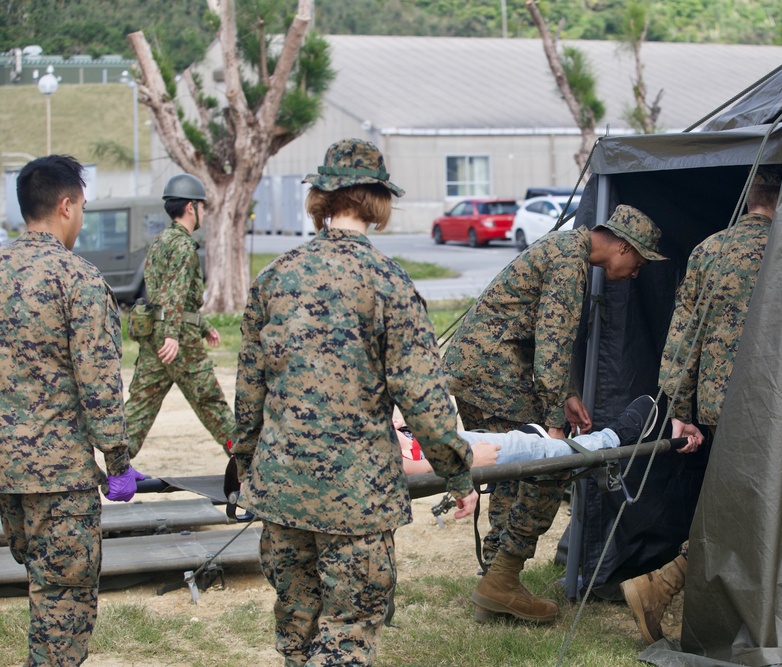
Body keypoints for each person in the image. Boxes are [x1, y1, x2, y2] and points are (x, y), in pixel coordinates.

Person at [232, 138, 478, 666]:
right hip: (356, 497)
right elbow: (424, 398)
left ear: (321, 197)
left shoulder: (275, 277)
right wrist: (458, 474)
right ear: (378, 201)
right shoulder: (388, 282)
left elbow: (249, 391)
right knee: (347, 634)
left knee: (297, 626)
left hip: (281, 486)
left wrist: (249, 466)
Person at [443, 203, 668, 624]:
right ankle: (501, 580)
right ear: (622, 246)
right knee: (549, 467)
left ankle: (496, 585)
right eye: (638, 262)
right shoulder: (570, 262)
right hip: (497, 374)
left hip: (477, 371)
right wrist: (553, 425)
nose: (637, 273)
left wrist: (566, 394)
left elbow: (540, 335)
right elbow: (552, 344)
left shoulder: (563, 248)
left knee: (507, 475)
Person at [620, 166, 782, 644]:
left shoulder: (709, 250)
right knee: (754, 505)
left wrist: (680, 412)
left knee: (739, 501)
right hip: (772, 399)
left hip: (718, 404)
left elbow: (683, 337)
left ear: (750, 197)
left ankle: (666, 586)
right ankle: (661, 585)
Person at [0, 155, 143, 666]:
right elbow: (99, 386)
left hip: (6, 476)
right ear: (66, 206)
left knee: (39, 582)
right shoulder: (77, 279)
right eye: (81, 206)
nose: (80, 217)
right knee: (62, 602)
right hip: (59, 479)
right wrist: (119, 462)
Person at [123, 173, 234, 458]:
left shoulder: (161, 241)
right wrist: (172, 335)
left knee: (140, 405)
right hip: (177, 340)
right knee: (210, 402)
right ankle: (246, 463)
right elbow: (174, 292)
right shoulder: (184, 246)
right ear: (190, 207)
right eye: (202, 206)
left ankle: (118, 467)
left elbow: (164, 295)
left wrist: (203, 325)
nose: (204, 212)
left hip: (154, 336)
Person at [398, 395, 705, 476]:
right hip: (431, 454)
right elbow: (398, 471)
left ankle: (535, 440)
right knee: (543, 453)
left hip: (420, 441)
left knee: (525, 445)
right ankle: (614, 437)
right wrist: (466, 462)